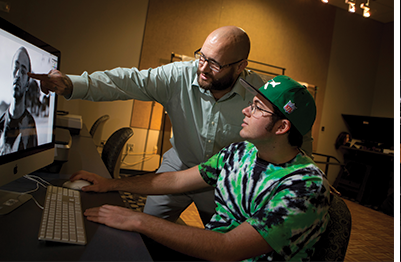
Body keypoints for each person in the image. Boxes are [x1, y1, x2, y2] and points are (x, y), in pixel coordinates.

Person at [29, 26, 313, 225]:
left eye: (214, 64)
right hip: (178, 167)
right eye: (201, 56)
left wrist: (301, 174)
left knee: (221, 242)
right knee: (144, 236)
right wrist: (72, 84)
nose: (202, 68)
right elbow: (127, 81)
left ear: (240, 66)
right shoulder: (179, 75)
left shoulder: (262, 95)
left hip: (226, 182)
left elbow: (294, 139)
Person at [70, 75, 329, 261]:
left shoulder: (305, 188)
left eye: (258, 107)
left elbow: (228, 248)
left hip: (223, 253)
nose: (245, 110)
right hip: (213, 253)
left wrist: (138, 220)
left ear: (282, 127)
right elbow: (176, 181)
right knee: (117, 244)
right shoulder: (240, 153)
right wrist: (110, 183)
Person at [0, 47, 38, 154]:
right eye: (16, 67)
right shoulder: (0, 123)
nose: (18, 74)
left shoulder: (30, 125)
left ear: (27, 83)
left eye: (23, 71)